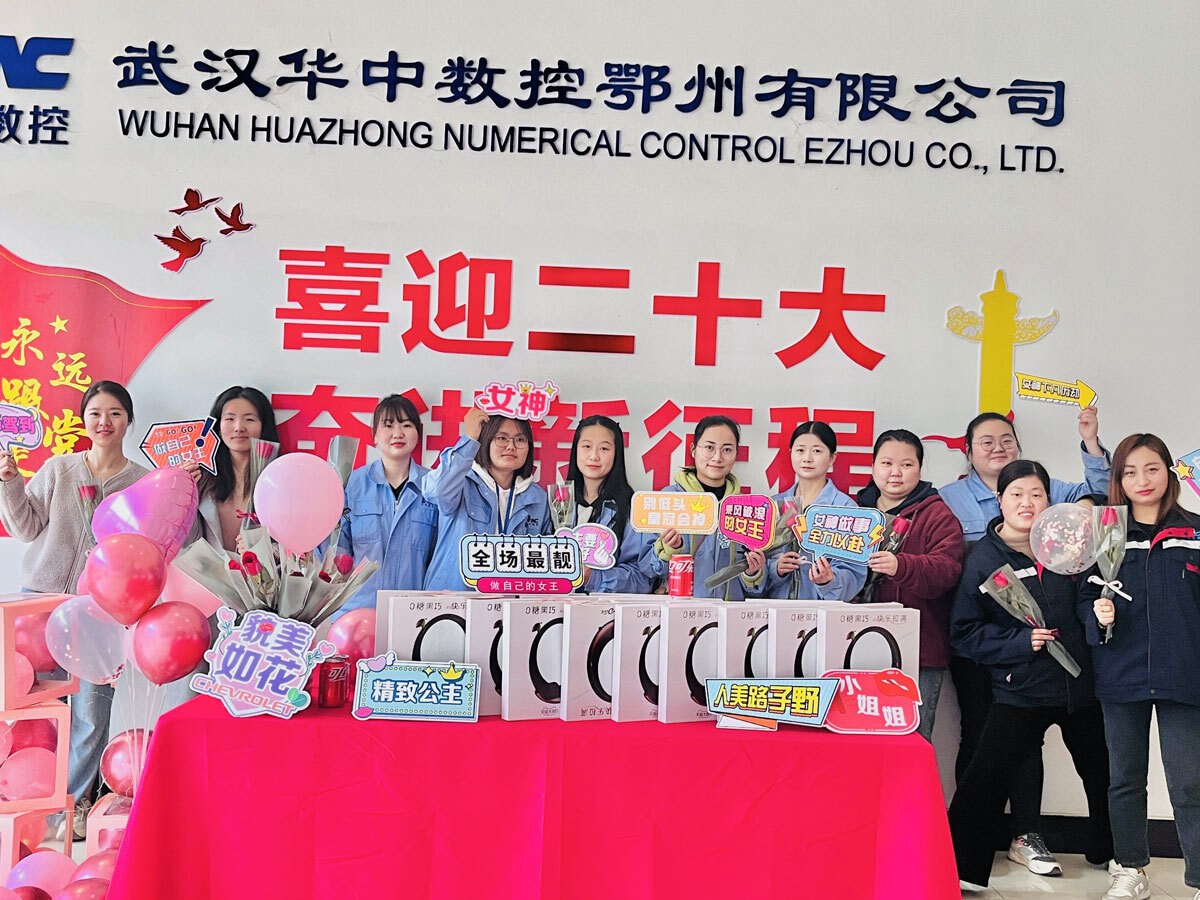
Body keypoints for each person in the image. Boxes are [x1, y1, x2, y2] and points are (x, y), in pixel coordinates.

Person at [941, 406, 1110, 873]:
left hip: (1082, 685)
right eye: (1017, 493)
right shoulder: (984, 558)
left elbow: (1089, 597)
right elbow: (964, 632)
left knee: (1104, 775)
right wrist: (1019, 645)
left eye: (1037, 493)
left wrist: (1097, 618)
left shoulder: (1068, 546)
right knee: (986, 777)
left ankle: (1113, 852)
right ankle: (959, 867)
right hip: (1023, 687)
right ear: (999, 499)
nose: (1027, 502)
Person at [0, 381, 150, 838]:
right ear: (84, 421)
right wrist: (9, 482)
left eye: (115, 413)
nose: (104, 422)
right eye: (95, 413)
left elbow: (150, 548)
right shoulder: (59, 468)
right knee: (42, 712)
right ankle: (31, 803)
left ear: (129, 421)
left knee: (90, 715)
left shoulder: (140, 481)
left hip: (100, 614)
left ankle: (67, 811)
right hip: (41, 606)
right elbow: (25, 528)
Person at [1079, 434, 1200, 900]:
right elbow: (1084, 597)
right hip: (1121, 671)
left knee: (1190, 782)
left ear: (1169, 471)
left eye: (1151, 468)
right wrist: (1097, 613)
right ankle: (1130, 869)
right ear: (1118, 480)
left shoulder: (1194, 532)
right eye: (1129, 472)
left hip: (1185, 673)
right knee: (1124, 780)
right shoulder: (1107, 535)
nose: (1141, 480)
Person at [855, 429, 964, 741]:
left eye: (906, 465)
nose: (895, 472)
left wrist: (902, 566)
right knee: (860, 742)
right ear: (872, 466)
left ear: (919, 469)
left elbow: (947, 571)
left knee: (911, 742)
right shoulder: (853, 514)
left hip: (917, 653)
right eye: (886, 463)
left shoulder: (937, 514)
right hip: (856, 648)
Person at [424, 409, 550, 591]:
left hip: (511, 601)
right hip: (454, 599)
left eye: (520, 439)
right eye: (502, 438)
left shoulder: (538, 498)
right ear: (486, 441)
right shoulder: (461, 483)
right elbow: (436, 491)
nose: (511, 446)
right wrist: (470, 439)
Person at [336, 395, 438, 614]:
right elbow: (338, 546)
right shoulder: (352, 484)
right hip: (359, 610)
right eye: (388, 425)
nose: (398, 433)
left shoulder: (433, 487)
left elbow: (438, 556)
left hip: (415, 612)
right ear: (374, 435)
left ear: (418, 433)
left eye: (406, 425)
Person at [648, 415, 763, 601]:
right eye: (709, 448)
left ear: (736, 453)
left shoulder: (747, 509)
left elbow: (755, 588)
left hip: (730, 613)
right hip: (679, 611)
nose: (717, 457)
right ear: (694, 450)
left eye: (727, 449)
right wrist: (670, 549)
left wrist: (753, 573)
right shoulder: (668, 499)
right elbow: (647, 569)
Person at [759, 421, 864, 601]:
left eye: (817, 451)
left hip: (822, 613)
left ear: (832, 458)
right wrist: (775, 569)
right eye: (800, 450)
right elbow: (755, 570)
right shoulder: (773, 505)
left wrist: (829, 580)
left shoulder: (845, 508)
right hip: (777, 611)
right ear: (791, 454)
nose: (807, 458)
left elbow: (854, 572)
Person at [563, 415, 650, 594]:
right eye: (586, 446)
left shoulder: (632, 509)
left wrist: (594, 578)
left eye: (604, 448)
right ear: (575, 450)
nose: (594, 456)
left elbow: (642, 578)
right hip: (557, 607)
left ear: (616, 454)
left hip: (607, 609)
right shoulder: (559, 502)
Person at [189, 386, 280, 552]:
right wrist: (183, 492)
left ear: (263, 426)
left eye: (249, 419)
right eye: (230, 419)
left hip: (262, 569)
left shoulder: (279, 479)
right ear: (217, 425)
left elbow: (293, 544)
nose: (238, 427)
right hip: (205, 569)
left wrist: (264, 551)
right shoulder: (200, 476)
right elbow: (183, 542)